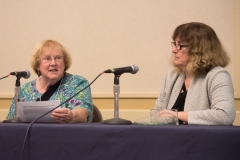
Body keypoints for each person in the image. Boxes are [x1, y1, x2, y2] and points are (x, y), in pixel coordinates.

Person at [155, 22, 235, 125]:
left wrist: (177, 115)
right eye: (175, 44)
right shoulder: (171, 77)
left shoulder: (218, 76)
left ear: (199, 50)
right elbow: (157, 114)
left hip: (202, 139)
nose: (173, 50)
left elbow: (225, 115)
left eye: (181, 45)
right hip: (171, 138)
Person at [7, 40, 93, 123]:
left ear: (64, 62)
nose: (53, 63)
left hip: (65, 136)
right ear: (37, 65)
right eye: (47, 58)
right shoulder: (25, 90)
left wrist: (73, 115)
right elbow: (11, 119)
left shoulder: (78, 83)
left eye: (58, 58)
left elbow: (84, 112)